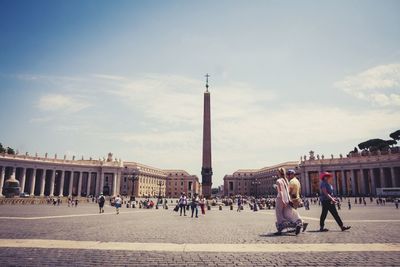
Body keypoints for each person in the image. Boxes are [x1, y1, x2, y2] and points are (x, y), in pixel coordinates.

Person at [274, 167, 303, 235]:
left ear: (279, 173)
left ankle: (280, 229)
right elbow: (287, 191)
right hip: (287, 199)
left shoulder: (278, 181)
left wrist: (283, 200)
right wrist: (287, 199)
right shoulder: (286, 180)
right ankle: (296, 223)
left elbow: (280, 192)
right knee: (287, 213)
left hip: (280, 199)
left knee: (279, 214)